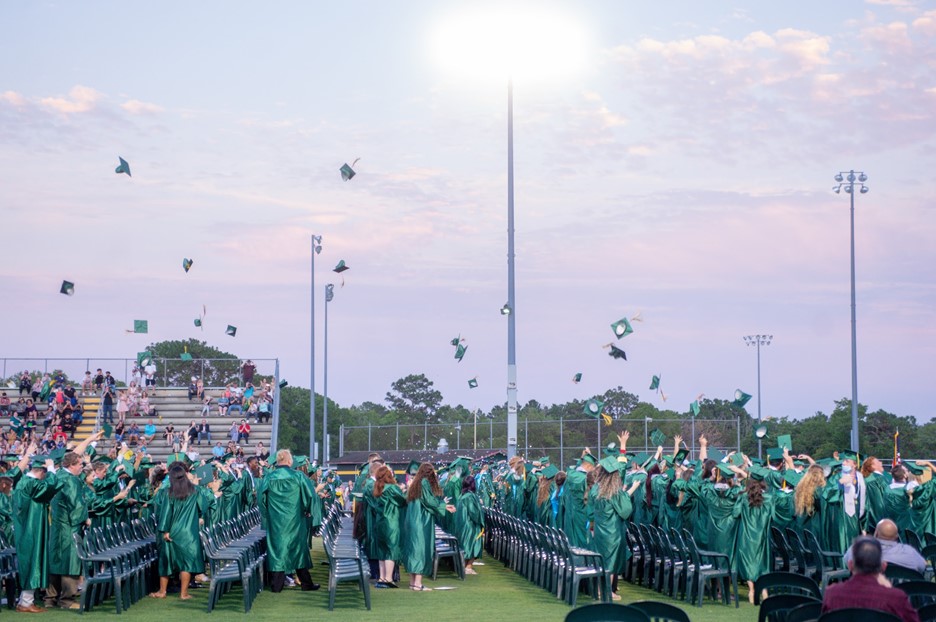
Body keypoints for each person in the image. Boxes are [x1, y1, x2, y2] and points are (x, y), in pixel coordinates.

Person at [150, 463, 218, 600]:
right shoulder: (195, 490)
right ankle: (184, 593)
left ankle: (162, 591)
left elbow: (165, 513)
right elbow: (204, 506)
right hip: (189, 531)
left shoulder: (168, 492)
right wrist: (197, 515)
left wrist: (165, 530)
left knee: (167, 561)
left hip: (172, 530)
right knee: (187, 563)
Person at [256, 449, 319, 592]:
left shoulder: (269, 477)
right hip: (295, 519)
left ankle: (276, 585)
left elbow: (260, 498)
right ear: (290, 461)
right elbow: (310, 496)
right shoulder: (298, 476)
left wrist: (267, 514)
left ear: (278, 461)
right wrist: (307, 510)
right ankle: (306, 583)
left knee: (278, 549)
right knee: (298, 549)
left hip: (276, 521)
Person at [822, 536, 920, 621]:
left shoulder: (831, 594)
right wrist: (890, 590)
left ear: (850, 565)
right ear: (883, 566)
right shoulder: (896, 598)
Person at [402, 462, 455, 591]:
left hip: (412, 521)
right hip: (421, 522)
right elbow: (429, 501)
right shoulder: (424, 483)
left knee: (413, 551)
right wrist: (443, 506)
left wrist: (443, 506)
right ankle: (418, 584)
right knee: (420, 550)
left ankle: (412, 582)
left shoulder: (414, 484)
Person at [843, 518, 926, 574]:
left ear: (876, 534)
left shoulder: (858, 548)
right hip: (903, 593)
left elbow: (847, 562)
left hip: (866, 593)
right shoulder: (909, 552)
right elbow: (922, 567)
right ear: (897, 537)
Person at [372, 464, 406, 587]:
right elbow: (402, 500)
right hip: (391, 522)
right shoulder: (391, 488)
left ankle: (381, 578)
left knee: (382, 550)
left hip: (379, 522)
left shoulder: (377, 488)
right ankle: (388, 578)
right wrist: (405, 490)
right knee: (391, 549)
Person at [454, 474, 484, 575]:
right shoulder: (470, 496)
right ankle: (468, 566)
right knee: (474, 544)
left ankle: (465, 566)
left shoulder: (462, 495)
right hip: (470, 525)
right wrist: (481, 520)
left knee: (466, 545)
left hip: (462, 525)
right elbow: (473, 512)